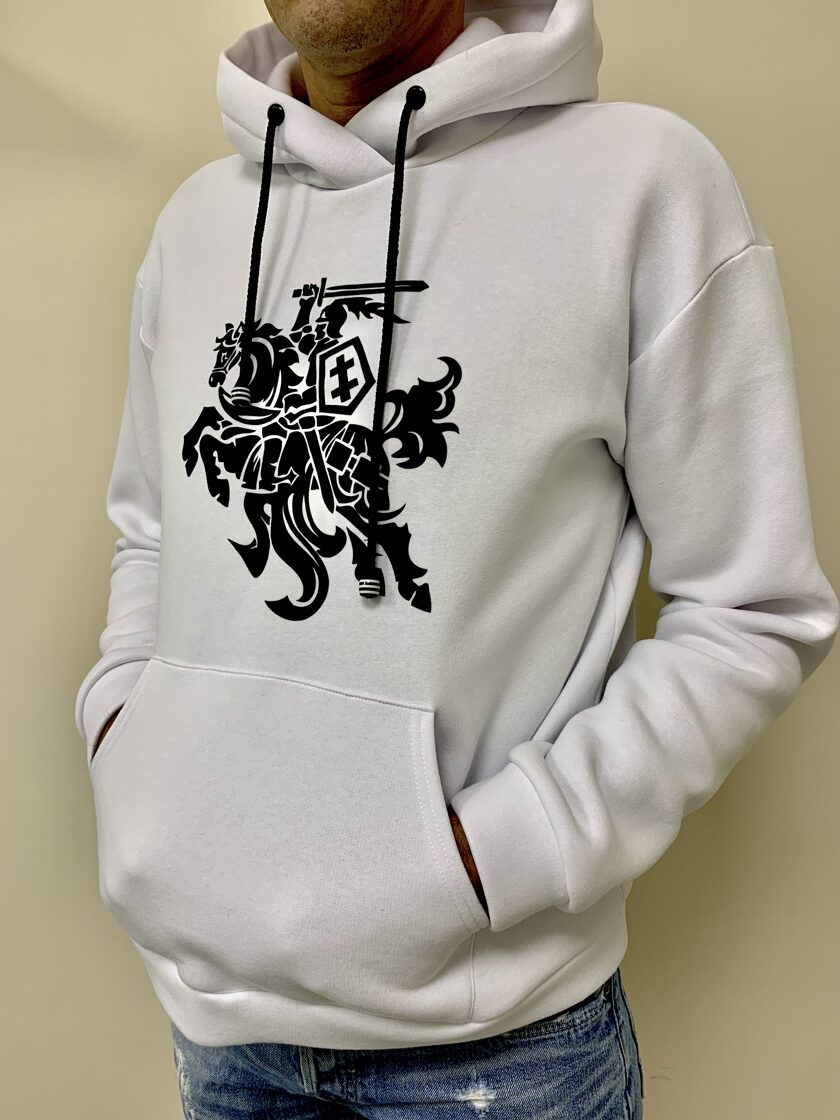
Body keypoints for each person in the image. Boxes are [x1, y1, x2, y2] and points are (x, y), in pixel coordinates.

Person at [74, 0, 839, 1116]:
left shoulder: (642, 184)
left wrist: (501, 855)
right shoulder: (197, 222)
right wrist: (126, 745)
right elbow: (152, 531)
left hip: (500, 1050)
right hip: (217, 1024)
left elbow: (752, 610)